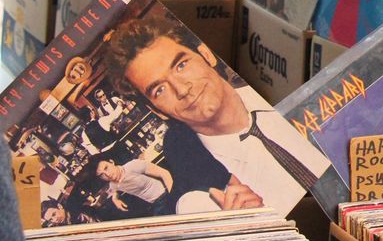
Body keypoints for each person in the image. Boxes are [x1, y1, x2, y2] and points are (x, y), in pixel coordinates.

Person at [103, 15, 330, 214]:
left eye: (181, 65)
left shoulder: (286, 94)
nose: (182, 89)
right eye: (159, 90)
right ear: (155, 110)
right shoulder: (205, 202)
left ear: (206, 54)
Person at [96, 157, 173, 214]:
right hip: (156, 204)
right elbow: (114, 191)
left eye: (106, 168)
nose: (108, 174)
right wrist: (115, 199)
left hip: (166, 193)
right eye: (102, 175)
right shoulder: (113, 184)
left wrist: (174, 195)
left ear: (111, 162)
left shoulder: (133, 165)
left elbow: (164, 173)